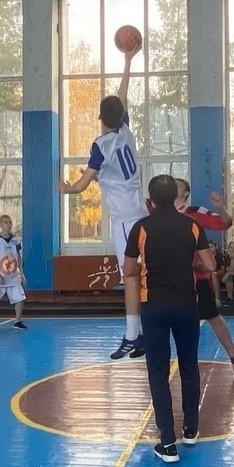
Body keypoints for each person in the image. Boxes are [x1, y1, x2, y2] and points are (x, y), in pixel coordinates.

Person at [58, 45, 145, 359]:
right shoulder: (126, 133)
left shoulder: (101, 145)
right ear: (120, 116)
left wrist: (66, 188)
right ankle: (143, 332)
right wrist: (128, 61)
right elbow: (123, 94)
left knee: (130, 276)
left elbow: (82, 186)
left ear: (99, 117)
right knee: (142, 275)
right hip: (140, 211)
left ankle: (133, 335)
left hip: (124, 219)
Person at [124, 174, 214, 464]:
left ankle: (167, 442)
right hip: (186, 304)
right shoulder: (192, 225)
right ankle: (191, 430)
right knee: (189, 366)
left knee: (158, 371)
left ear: (150, 200)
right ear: (176, 196)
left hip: (154, 306)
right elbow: (210, 265)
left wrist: (147, 264)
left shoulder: (141, 227)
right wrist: (187, 261)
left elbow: (129, 271)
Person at [171, 178, 234, 382]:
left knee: (213, 317)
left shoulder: (194, 212)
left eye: (177, 184)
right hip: (169, 279)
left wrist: (220, 208)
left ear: (185, 193)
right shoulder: (157, 212)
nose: (172, 185)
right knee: (170, 321)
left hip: (195, 278)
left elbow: (224, 223)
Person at [0, 214, 27, 331]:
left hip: (13, 275)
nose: (9, 225)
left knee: (20, 298)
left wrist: (21, 273)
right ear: (1, 224)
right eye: (6, 222)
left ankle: (17, 321)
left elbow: (18, 256)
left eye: (10, 222)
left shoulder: (16, 240)